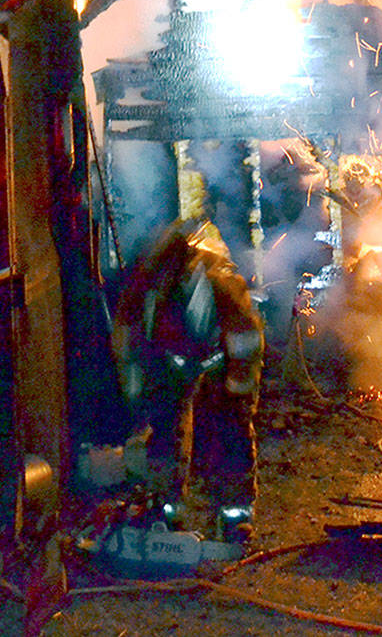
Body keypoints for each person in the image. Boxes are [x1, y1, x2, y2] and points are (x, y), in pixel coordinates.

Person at [109, 218, 265, 543]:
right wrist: (136, 392)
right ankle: (164, 508)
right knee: (165, 426)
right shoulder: (145, 292)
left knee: (231, 426)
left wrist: (238, 387)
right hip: (168, 357)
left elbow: (246, 342)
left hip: (219, 355)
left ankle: (235, 515)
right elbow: (127, 344)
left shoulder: (222, 290)